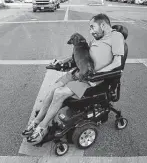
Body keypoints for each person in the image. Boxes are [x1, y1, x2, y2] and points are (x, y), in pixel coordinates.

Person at [22, 13, 125, 145]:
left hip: (92, 80)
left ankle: (42, 128)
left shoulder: (116, 36)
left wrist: (96, 74)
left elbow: (117, 63)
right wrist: (62, 62)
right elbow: (82, 56)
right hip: (79, 73)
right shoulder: (95, 40)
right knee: (52, 89)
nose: (91, 31)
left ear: (103, 25)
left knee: (59, 93)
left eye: (93, 27)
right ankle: (36, 122)